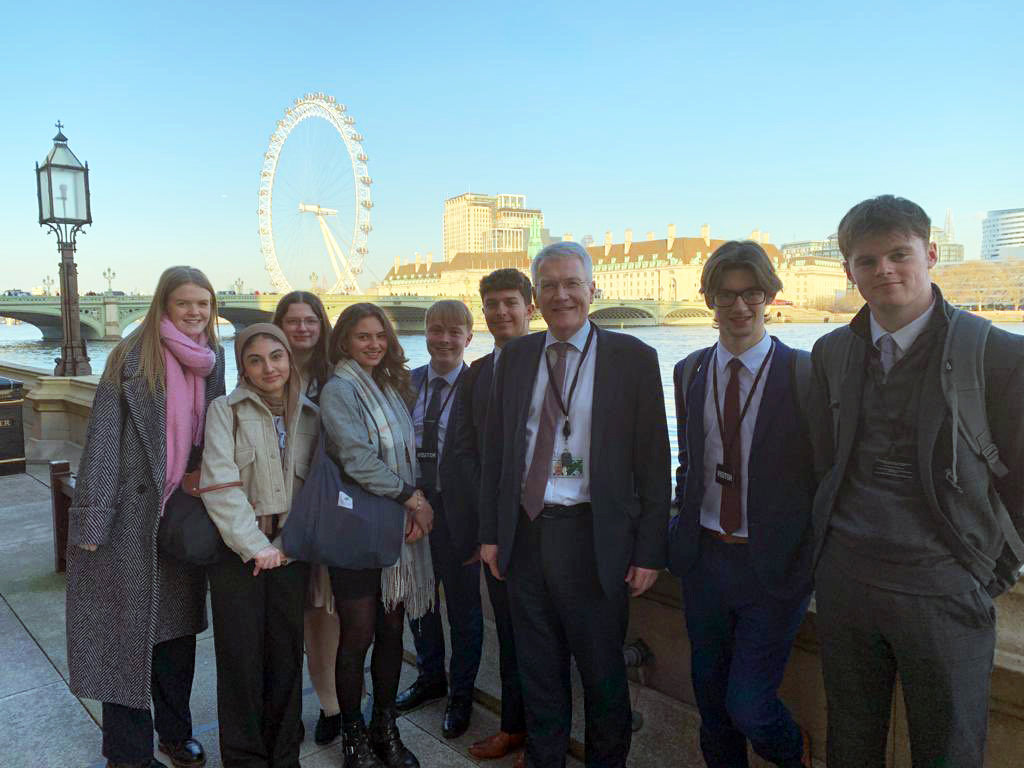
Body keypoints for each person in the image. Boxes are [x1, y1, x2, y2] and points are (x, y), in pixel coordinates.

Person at [808, 195, 1024, 767]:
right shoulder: (831, 353)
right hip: (847, 584)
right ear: (849, 272)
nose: (885, 271)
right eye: (867, 261)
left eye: (899, 255)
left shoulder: (999, 356)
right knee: (850, 745)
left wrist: (984, 573)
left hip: (944, 588)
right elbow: (819, 463)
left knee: (948, 751)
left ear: (930, 254)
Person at [479, 242, 670, 768]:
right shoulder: (515, 358)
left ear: (592, 289)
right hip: (528, 533)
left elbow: (654, 462)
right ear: (536, 297)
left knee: (602, 673)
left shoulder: (634, 359)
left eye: (571, 284)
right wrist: (492, 534)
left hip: (594, 538)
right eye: (549, 285)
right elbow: (498, 453)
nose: (561, 294)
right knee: (538, 669)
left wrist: (650, 551)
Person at [66, 266, 224, 768]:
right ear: (164, 306)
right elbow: (103, 443)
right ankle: (127, 753)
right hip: (130, 524)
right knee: (124, 640)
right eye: (185, 304)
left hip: (181, 519)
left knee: (176, 641)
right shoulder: (130, 359)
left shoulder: (212, 362)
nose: (195, 312)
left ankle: (175, 735)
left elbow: (213, 438)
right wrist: (92, 520)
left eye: (204, 303)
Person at [668, 241, 814, 768]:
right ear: (708, 299)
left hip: (771, 568)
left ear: (770, 296)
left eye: (751, 293)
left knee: (749, 705)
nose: (739, 306)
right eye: (725, 295)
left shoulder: (803, 374)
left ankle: (791, 753)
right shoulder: (689, 371)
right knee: (711, 706)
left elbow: (819, 475)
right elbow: (689, 464)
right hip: (704, 560)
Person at [319, 303, 436, 768]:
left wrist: (409, 505)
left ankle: (385, 728)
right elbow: (356, 458)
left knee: (391, 632)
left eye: (380, 336)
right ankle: (354, 736)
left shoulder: (388, 385)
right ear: (344, 341)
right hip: (356, 530)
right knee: (358, 635)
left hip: (395, 528)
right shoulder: (339, 389)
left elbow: (404, 451)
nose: (373, 344)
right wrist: (412, 498)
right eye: (362, 336)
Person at [201, 323, 317, 767]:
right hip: (238, 553)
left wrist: (288, 543)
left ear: (289, 359)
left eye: (277, 356)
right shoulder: (223, 411)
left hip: (291, 551)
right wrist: (255, 546)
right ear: (244, 368)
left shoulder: (310, 414)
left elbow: (315, 490)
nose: (269, 367)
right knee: (240, 658)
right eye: (256, 359)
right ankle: (244, 756)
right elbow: (219, 483)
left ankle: (284, 751)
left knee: (287, 656)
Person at [455, 269, 534, 761]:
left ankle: (546, 735)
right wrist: (481, 530)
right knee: (509, 633)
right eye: (492, 304)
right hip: (500, 533)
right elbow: (466, 454)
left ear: (531, 307)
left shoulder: (555, 362)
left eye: (510, 302)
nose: (501, 312)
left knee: (553, 639)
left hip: (555, 526)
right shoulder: (478, 374)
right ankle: (515, 727)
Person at [395, 300, 481, 739]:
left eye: (454, 331)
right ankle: (430, 678)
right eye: (435, 330)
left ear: (469, 336)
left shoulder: (479, 386)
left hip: (458, 514)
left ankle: (461, 695)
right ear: (425, 333)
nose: (444, 339)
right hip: (412, 504)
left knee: (465, 611)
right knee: (419, 600)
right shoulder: (406, 384)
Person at [273, 291, 341, 746]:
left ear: (322, 325)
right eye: (293, 320)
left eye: (310, 320)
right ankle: (283, 710)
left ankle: (331, 703)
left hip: (325, 512)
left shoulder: (336, 375)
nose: (302, 328)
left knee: (322, 612)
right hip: (272, 511)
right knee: (280, 618)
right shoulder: (263, 371)